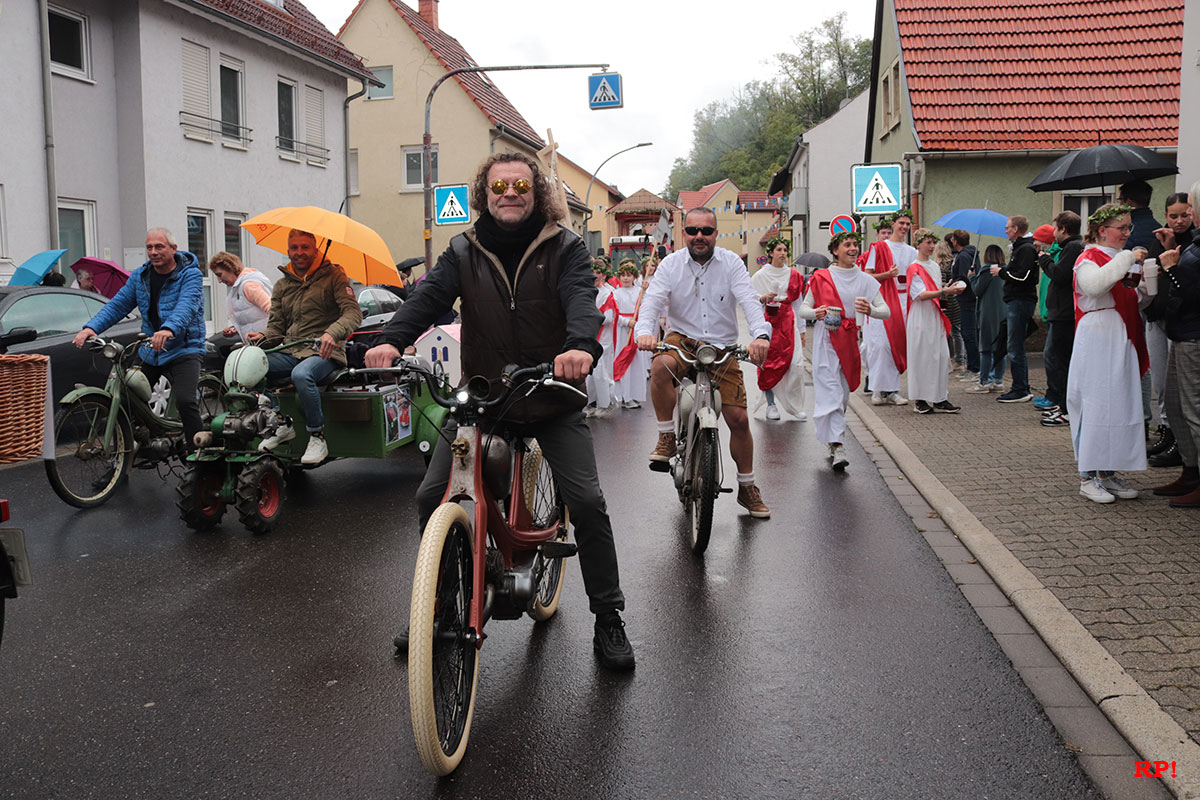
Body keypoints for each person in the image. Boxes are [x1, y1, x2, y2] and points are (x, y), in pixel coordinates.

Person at [364, 152, 634, 670]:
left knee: (586, 501)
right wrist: (392, 339)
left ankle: (608, 616)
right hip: (485, 396)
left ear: (537, 193)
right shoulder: (463, 250)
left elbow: (582, 301)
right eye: (499, 187)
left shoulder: (565, 247)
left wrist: (579, 346)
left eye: (521, 186)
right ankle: (439, 604)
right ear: (483, 195)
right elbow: (427, 299)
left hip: (551, 394)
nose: (510, 193)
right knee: (431, 495)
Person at [634, 207, 772, 518]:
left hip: (721, 347)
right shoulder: (670, 264)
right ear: (684, 233)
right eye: (693, 230)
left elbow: (749, 301)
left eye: (706, 231)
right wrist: (644, 332)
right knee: (660, 365)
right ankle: (666, 436)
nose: (699, 236)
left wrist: (761, 335)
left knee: (739, 419)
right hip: (682, 338)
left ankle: (747, 486)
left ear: (716, 234)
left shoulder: (731, 263)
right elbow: (653, 301)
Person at [72, 228, 205, 448]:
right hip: (151, 349)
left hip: (184, 347)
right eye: (149, 247)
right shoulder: (140, 276)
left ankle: (198, 455)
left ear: (173, 248)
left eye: (159, 246)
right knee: (126, 400)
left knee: (185, 400)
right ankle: (131, 452)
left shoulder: (190, 274)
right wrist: (91, 328)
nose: (153, 252)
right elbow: (118, 305)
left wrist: (169, 329)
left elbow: (187, 306)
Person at [247, 229, 363, 465]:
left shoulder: (335, 276)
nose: (299, 252)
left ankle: (317, 437)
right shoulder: (282, 284)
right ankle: (281, 423)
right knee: (250, 368)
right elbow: (276, 329)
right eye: (294, 248)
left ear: (315, 249)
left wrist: (332, 333)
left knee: (301, 374)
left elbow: (353, 313)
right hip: (292, 350)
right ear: (288, 251)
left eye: (305, 247)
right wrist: (261, 338)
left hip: (325, 352)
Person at [1068, 204, 1150, 503]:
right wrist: (1128, 257)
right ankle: (1087, 476)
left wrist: (1146, 286)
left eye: (1129, 227)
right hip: (1097, 335)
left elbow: (1135, 300)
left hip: (1122, 335)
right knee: (1095, 402)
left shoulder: (1119, 259)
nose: (1127, 233)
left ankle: (1107, 472)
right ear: (1102, 230)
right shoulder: (1087, 258)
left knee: (1119, 403)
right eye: (1121, 227)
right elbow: (1094, 286)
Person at [799, 231, 889, 469]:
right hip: (825, 341)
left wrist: (870, 310)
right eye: (847, 244)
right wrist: (816, 313)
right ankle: (838, 445)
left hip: (849, 340)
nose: (853, 248)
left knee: (843, 395)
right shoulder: (821, 277)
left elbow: (886, 311)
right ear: (835, 251)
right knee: (831, 393)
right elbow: (803, 309)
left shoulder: (866, 280)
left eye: (855, 244)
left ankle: (832, 439)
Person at [1152, 180, 1200, 507]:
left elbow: (1193, 293)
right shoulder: (1195, 240)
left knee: (1193, 409)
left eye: (1191, 208)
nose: (1187, 214)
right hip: (1181, 333)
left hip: (1193, 336)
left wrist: (1170, 270)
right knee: (1174, 404)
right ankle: (1190, 471)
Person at [1144, 192, 1196, 464]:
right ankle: (1167, 432)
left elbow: (1185, 282)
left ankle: (1180, 443)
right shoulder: (1160, 239)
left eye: (1185, 215)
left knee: (1181, 390)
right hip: (1157, 317)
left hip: (1181, 323)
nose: (1179, 221)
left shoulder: (1193, 243)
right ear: (1165, 216)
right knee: (1162, 383)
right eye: (1173, 216)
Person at [751, 237, 807, 421]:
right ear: (771, 253)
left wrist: (802, 330)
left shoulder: (794, 275)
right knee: (768, 365)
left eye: (785, 250)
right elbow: (750, 301)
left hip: (789, 323)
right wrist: (763, 298)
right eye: (779, 250)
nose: (783, 253)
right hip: (768, 324)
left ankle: (794, 406)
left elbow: (798, 305)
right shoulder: (760, 276)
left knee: (796, 365)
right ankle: (771, 404)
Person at [907, 229, 963, 413]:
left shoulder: (935, 266)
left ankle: (940, 397)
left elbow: (936, 290)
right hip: (921, 315)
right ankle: (920, 399)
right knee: (922, 356)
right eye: (928, 243)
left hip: (935, 314)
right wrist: (944, 291)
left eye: (933, 243)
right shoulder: (914, 267)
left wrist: (948, 288)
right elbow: (920, 294)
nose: (932, 246)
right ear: (918, 245)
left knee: (940, 356)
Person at [861, 210, 914, 405]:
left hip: (903, 302)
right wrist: (886, 275)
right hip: (883, 300)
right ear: (893, 224)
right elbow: (867, 275)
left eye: (907, 224)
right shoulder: (879, 247)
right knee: (880, 345)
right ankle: (876, 389)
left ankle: (893, 391)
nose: (904, 227)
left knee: (896, 346)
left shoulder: (912, 251)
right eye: (901, 223)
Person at [1039, 212, 1084, 427]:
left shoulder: (1073, 247)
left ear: (1063, 229)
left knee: (1062, 363)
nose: (1054, 233)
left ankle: (1067, 409)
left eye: (1055, 228)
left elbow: (1060, 275)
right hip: (1061, 313)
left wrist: (1045, 260)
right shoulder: (1070, 247)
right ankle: (1063, 404)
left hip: (1065, 315)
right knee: (1058, 360)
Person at [993, 215, 1039, 402]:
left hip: (1020, 301)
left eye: (1008, 227)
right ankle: (1021, 387)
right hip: (1016, 301)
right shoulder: (1020, 247)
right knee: (1013, 345)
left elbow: (1023, 276)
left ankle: (1020, 389)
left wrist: (1002, 272)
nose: (1005, 231)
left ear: (1016, 229)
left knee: (1015, 346)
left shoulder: (1026, 248)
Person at [967, 244, 1009, 393]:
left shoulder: (987, 270)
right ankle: (998, 381)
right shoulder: (1006, 271)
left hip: (988, 313)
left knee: (986, 349)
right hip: (1003, 312)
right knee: (1000, 349)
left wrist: (972, 277)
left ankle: (984, 382)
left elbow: (977, 289)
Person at [210, 251, 273, 341]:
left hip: (267, 343)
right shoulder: (237, 288)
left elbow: (273, 310)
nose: (219, 280)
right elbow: (250, 318)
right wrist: (237, 329)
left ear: (230, 268)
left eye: (219, 275)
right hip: (258, 343)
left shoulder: (248, 286)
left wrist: (266, 334)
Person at [611, 261, 648, 408]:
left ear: (634, 277)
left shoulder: (640, 292)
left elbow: (646, 307)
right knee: (623, 360)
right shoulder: (615, 293)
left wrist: (646, 290)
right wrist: (626, 322)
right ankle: (623, 395)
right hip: (622, 331)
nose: (626, 278)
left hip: (636, 330)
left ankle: (634, 395)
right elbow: (614, 313)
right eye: (623, 275)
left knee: (636, 363)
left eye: (629, 275)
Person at [585, 259, 617, 418]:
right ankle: (591, 402)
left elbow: (608, 318)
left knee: (601, 372)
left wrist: (590, 317)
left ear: (604, 275)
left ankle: (607, 403)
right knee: (590, 373)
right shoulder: (586, 291)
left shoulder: (607, 294)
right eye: (593, 272)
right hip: (589, 336)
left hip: (602, 339)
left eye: (598, 273)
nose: (595, 276)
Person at [947, 230, 980, 379]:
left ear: (955, 241)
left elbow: (963, 278)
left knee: (969, 334)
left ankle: (974, 367)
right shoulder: (970, 254)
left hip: (967, 298)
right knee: (968, 333)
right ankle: (973, 365)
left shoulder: (964, 256)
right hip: (968, 298)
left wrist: (955, 283)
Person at [934, 240, 965, 373]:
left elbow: (941, 285)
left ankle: (955, 359)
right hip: (955, 300)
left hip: (946, 301)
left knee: (948, 331)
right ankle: (960, 358)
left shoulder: (939, 267)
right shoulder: (953, 264)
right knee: (956, 331)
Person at [1119, 180, 1162, 252]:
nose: (1120, 204)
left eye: (1120, 199)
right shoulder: (1159, 228)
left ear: (1129, 201)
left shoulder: (1128, 229)